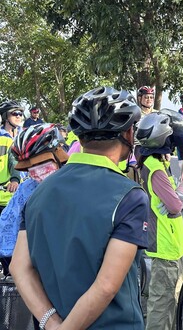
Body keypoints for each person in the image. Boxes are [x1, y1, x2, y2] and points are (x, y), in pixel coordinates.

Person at [11, 86, 148, 329]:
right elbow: (106, 286)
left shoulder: (38, 193)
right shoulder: (130, 196)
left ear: (80, 137)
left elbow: (19, 268)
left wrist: (51, 324)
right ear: (128, 133)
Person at [136, 109, 183, 330]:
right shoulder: (156, 169)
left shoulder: (153, 163)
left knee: (167, 301)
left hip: (169, 244)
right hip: (164, 246)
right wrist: (177, 196)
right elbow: (177, 205)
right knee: (161, 304)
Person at [0, 124, 68, 281]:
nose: (37, 171)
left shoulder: (78, 181)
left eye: (41, 164)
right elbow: (8, 224)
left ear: (59, 154)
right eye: (30, 167)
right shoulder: (26, 189)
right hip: (36, 266)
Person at [0, 101, 23, 213]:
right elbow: (12, 162)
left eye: (20, 113)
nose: (18, 116)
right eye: (15, 113)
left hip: (22, 191)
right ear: (5, 116)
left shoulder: (24, 135)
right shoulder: (2, 137)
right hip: (5, 192)